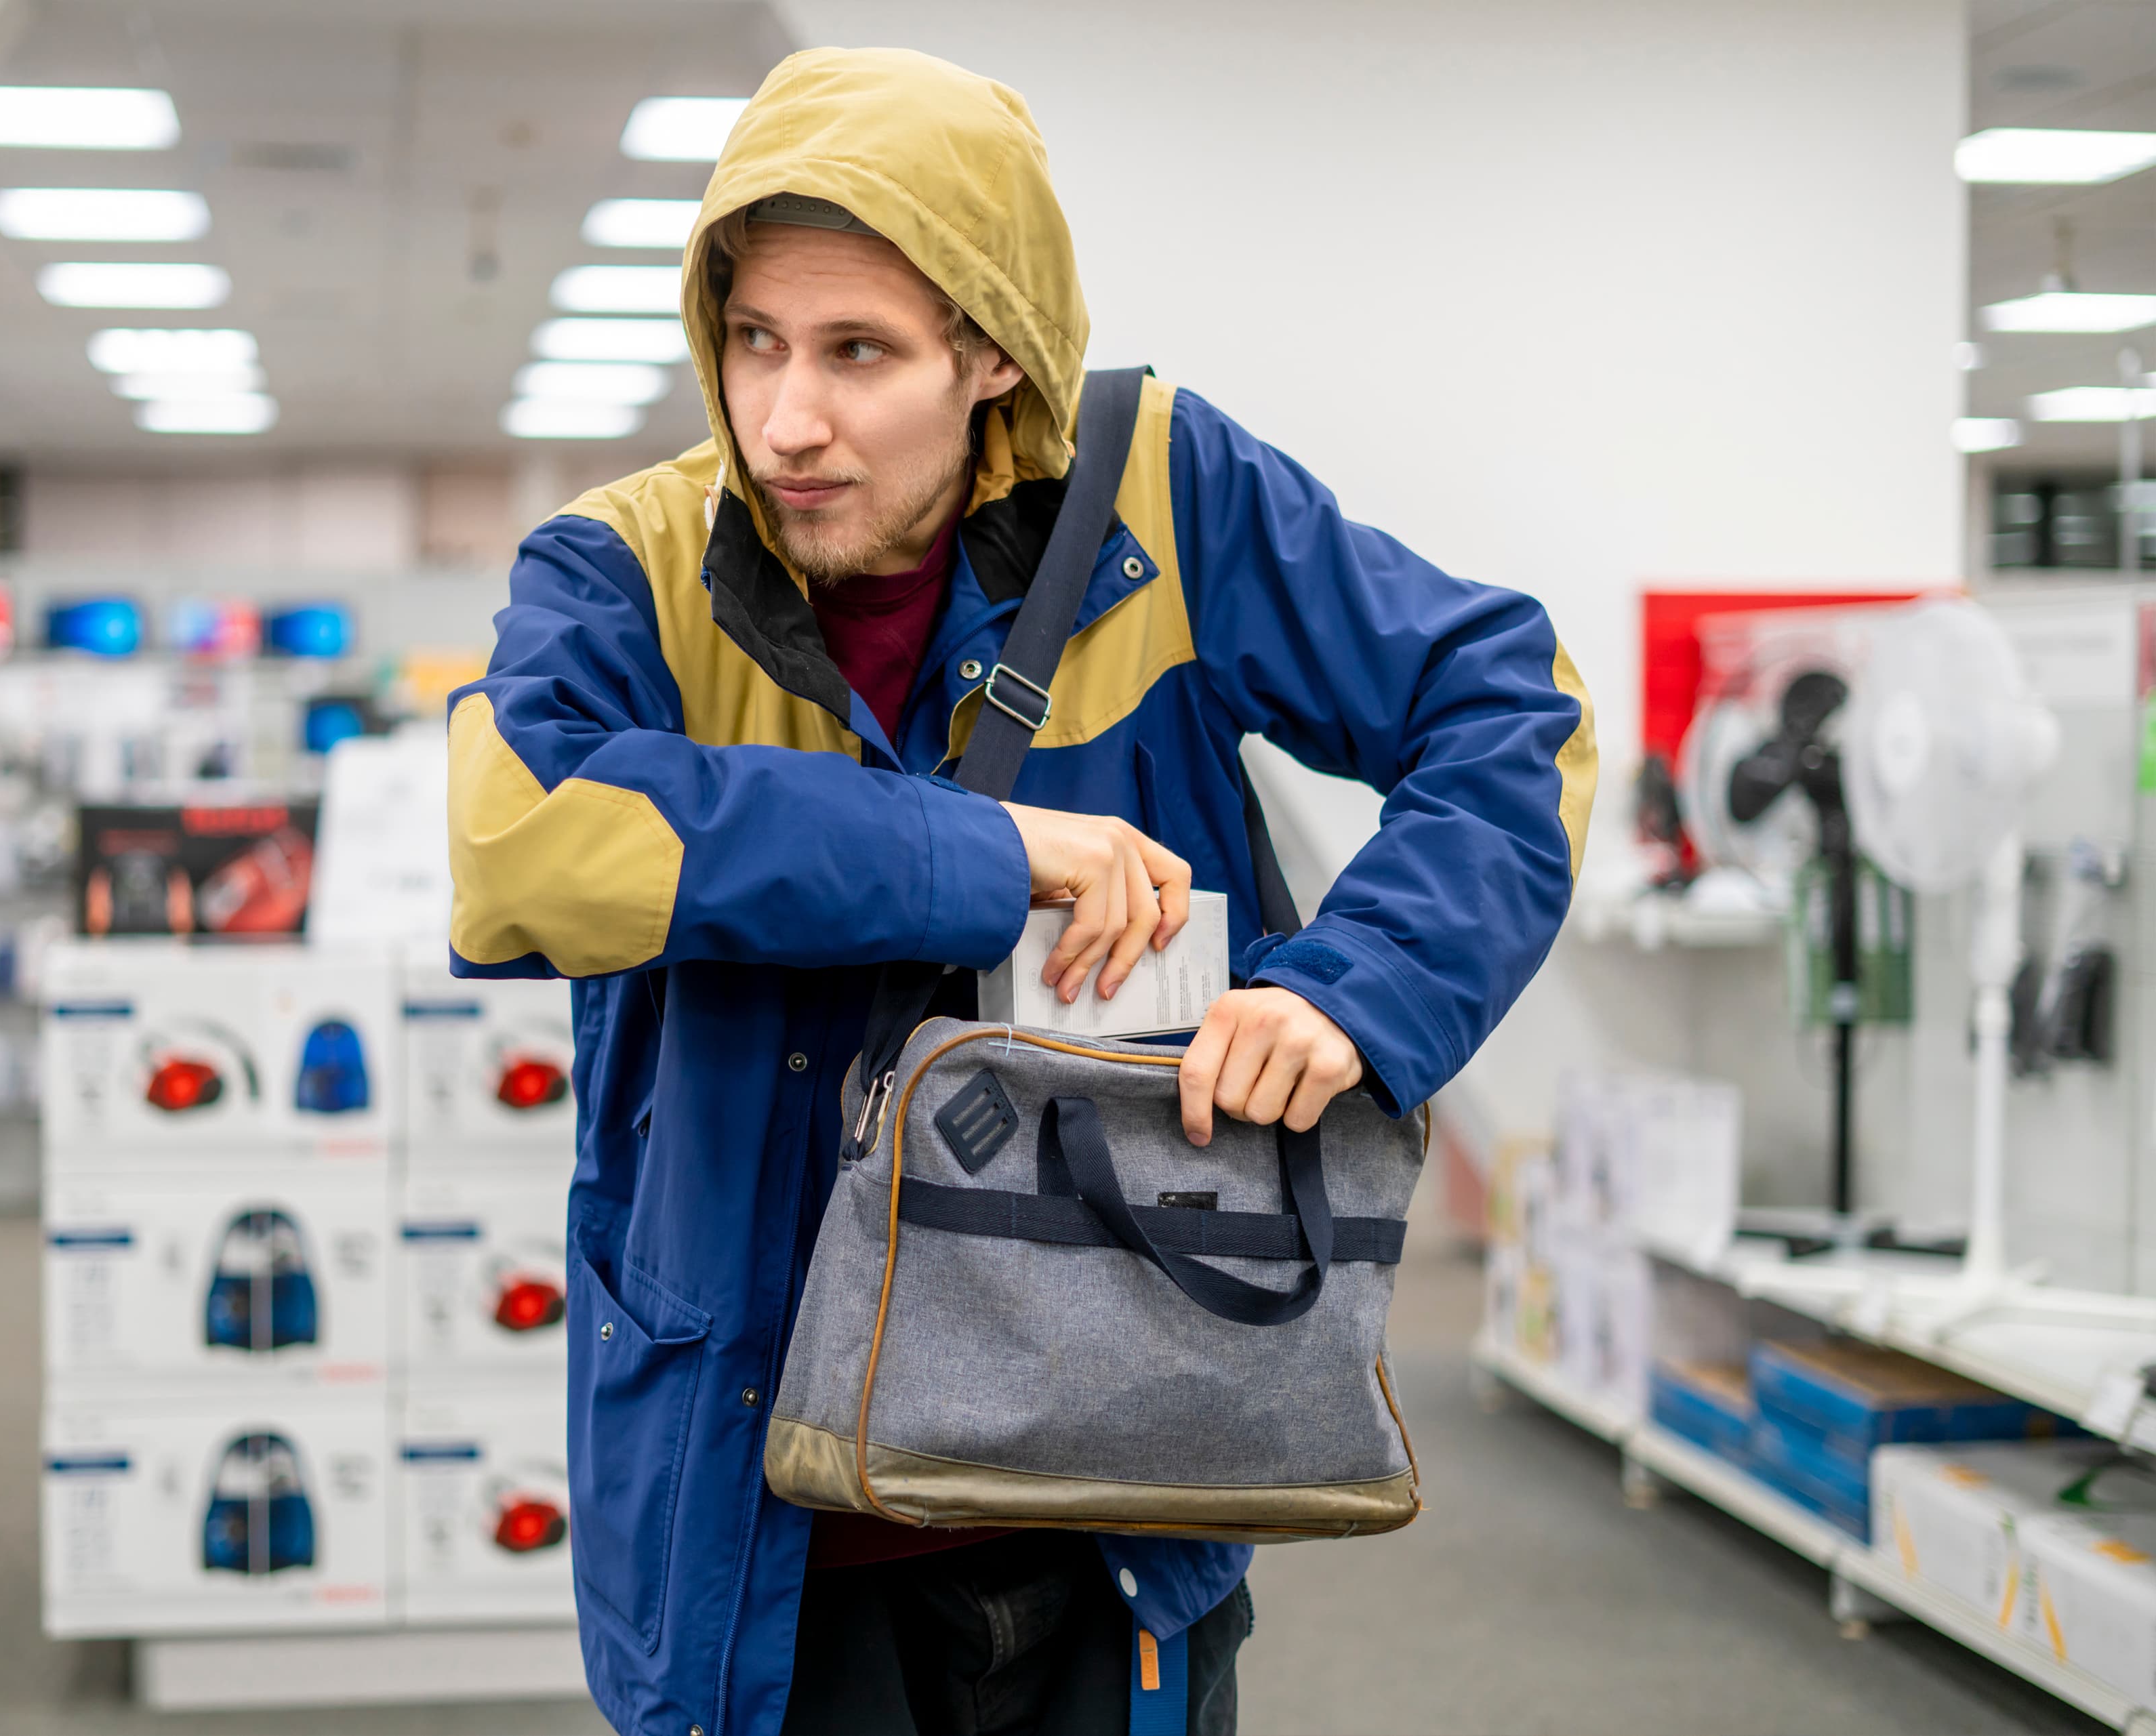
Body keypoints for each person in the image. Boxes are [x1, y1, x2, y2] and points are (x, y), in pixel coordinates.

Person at [447, 45, 1595, 1736]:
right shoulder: (621, 570)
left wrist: (1356, 993)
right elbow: (514, 847)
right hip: (763, 1522)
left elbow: (1510, 706)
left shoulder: (1175, 502)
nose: (785, 418)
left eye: (859, 353)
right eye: (754, 340)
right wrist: (979, 858)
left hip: (1121, 1493)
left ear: (990, 351)